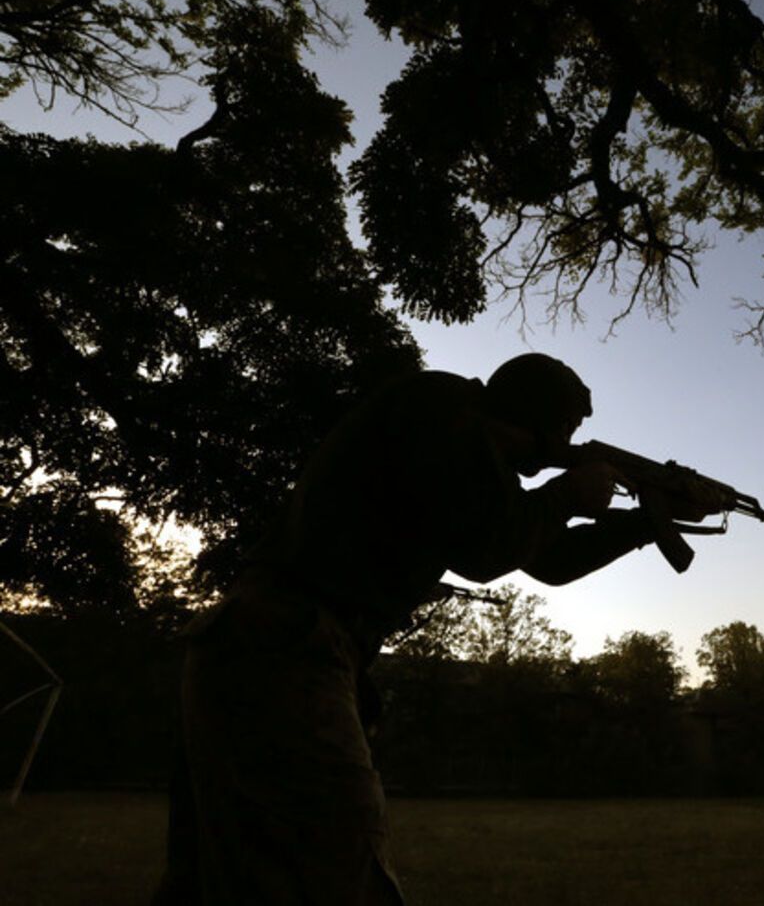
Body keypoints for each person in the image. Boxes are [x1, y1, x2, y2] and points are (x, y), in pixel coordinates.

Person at [154, 353, 709, 905]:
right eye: (565, 430)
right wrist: (568, 494)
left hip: (268, 643)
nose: (567, 446)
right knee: (339, 869)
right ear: (536, 415)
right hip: (286, 645)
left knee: (213, 885)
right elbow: (488, 549)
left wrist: (646, 521)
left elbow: (548, 559)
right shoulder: (442, 406)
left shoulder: (463, 445)